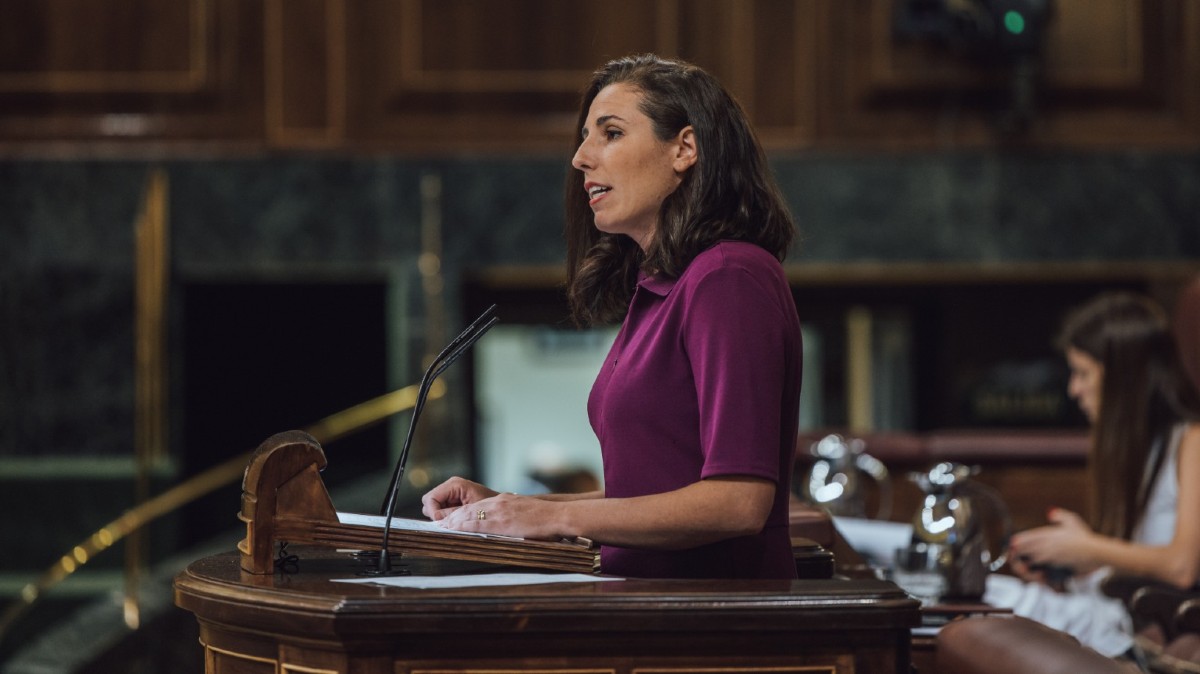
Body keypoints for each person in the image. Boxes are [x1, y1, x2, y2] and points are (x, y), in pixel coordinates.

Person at [420, 53, 802, 579]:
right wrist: (514, 508)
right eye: (583, 138)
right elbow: (652, 494)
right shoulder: (664, 288)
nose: (580, 158)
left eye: (611, 133)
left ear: (685, 148)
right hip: (644, 607)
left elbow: (739, 501)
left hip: (715, 623)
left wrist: (547, 515)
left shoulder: (729, 276)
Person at [983, 291, 1200, 657]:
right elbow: (1137, 568)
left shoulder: (1192, 440)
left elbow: (1182, 568)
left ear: (1124, 378)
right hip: (1123, 617)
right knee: (985, 603)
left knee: (990, 605)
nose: (1073, 389)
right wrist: (1078, 566)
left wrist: (1089, 547)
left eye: (1083, 373)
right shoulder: (1137, 452)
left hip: (1146, 627)